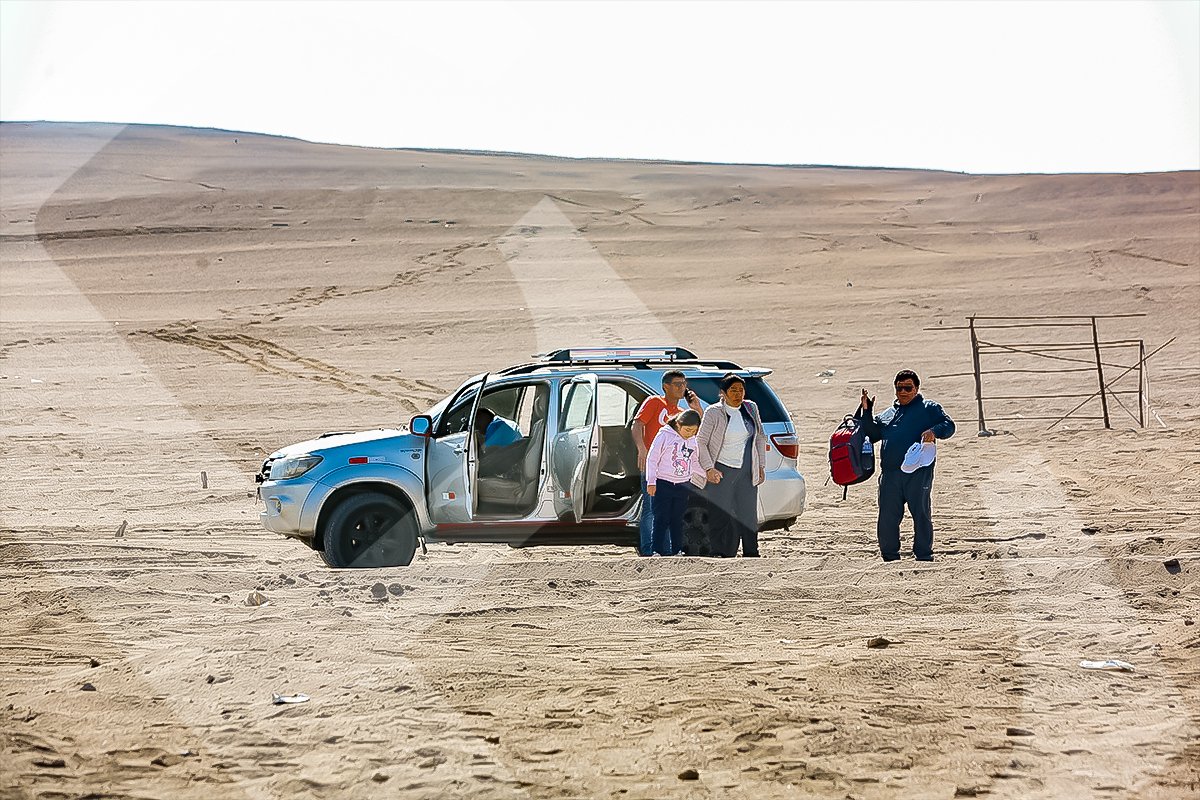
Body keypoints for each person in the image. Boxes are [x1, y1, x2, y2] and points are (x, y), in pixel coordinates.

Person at [858, 369, 955, 562]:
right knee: (887, 517)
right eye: (899, 388)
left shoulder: (929, 408)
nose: (903, 392)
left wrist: (934, 431)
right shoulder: (890, 412)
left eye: (908, 388)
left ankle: (924, 555)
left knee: (921, 514)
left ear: (917, 388)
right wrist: (867, 411)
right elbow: (873, 434)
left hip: (918, 473)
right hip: (890, 474)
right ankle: (889, 557)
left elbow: (949, 425)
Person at [632, 370, 704, 557]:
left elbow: (695, 434)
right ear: (666, 386)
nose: (682, 388)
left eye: (684, 384)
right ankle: (649, 550)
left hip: (673, 472)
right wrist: (641, 449)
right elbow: (637, 424)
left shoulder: (682, 414)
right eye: (678, 384)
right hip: (653, 466)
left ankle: (666, 551)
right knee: (651, 509)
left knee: (670, 513)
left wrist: (696, 407)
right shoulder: (655, 402)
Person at [696, 373, 768, 557]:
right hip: (721, 469)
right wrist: (709, 468)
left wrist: (760, 466)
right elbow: (701, 442)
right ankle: (718, 552)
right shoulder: (713, 412)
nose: (738, 394)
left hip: (746, 470)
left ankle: (751, 552)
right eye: (733, 390)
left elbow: (760, 436)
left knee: (748, 513)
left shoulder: (751, 408)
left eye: (741, 390)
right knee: (720, 512)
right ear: (723, 393)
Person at [645, 410, 704, 556]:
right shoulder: (664, 435)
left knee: (677, 519)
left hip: (683, 484)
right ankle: (657, 550)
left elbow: (694, 462)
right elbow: (652, 458)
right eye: (687, 430)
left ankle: (677, 550)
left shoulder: (692, 441)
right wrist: (651, 481)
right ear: (678, 425)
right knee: (661, 518)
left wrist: (706, 473)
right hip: (663, 482)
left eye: (694, 431)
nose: (690, 434)